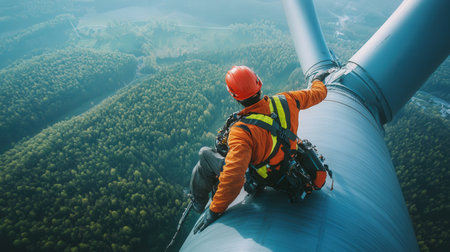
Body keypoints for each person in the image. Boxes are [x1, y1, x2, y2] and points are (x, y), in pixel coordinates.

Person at [190, 65, 330, 234]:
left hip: (265, 177)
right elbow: (318, 94)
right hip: (288, 168)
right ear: (259, 83)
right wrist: (317, 80)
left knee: (205, 154)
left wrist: (214, 211)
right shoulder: (287, 100)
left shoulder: (242, 132)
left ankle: (198, 203)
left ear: (235, 96)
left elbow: (234, 178)